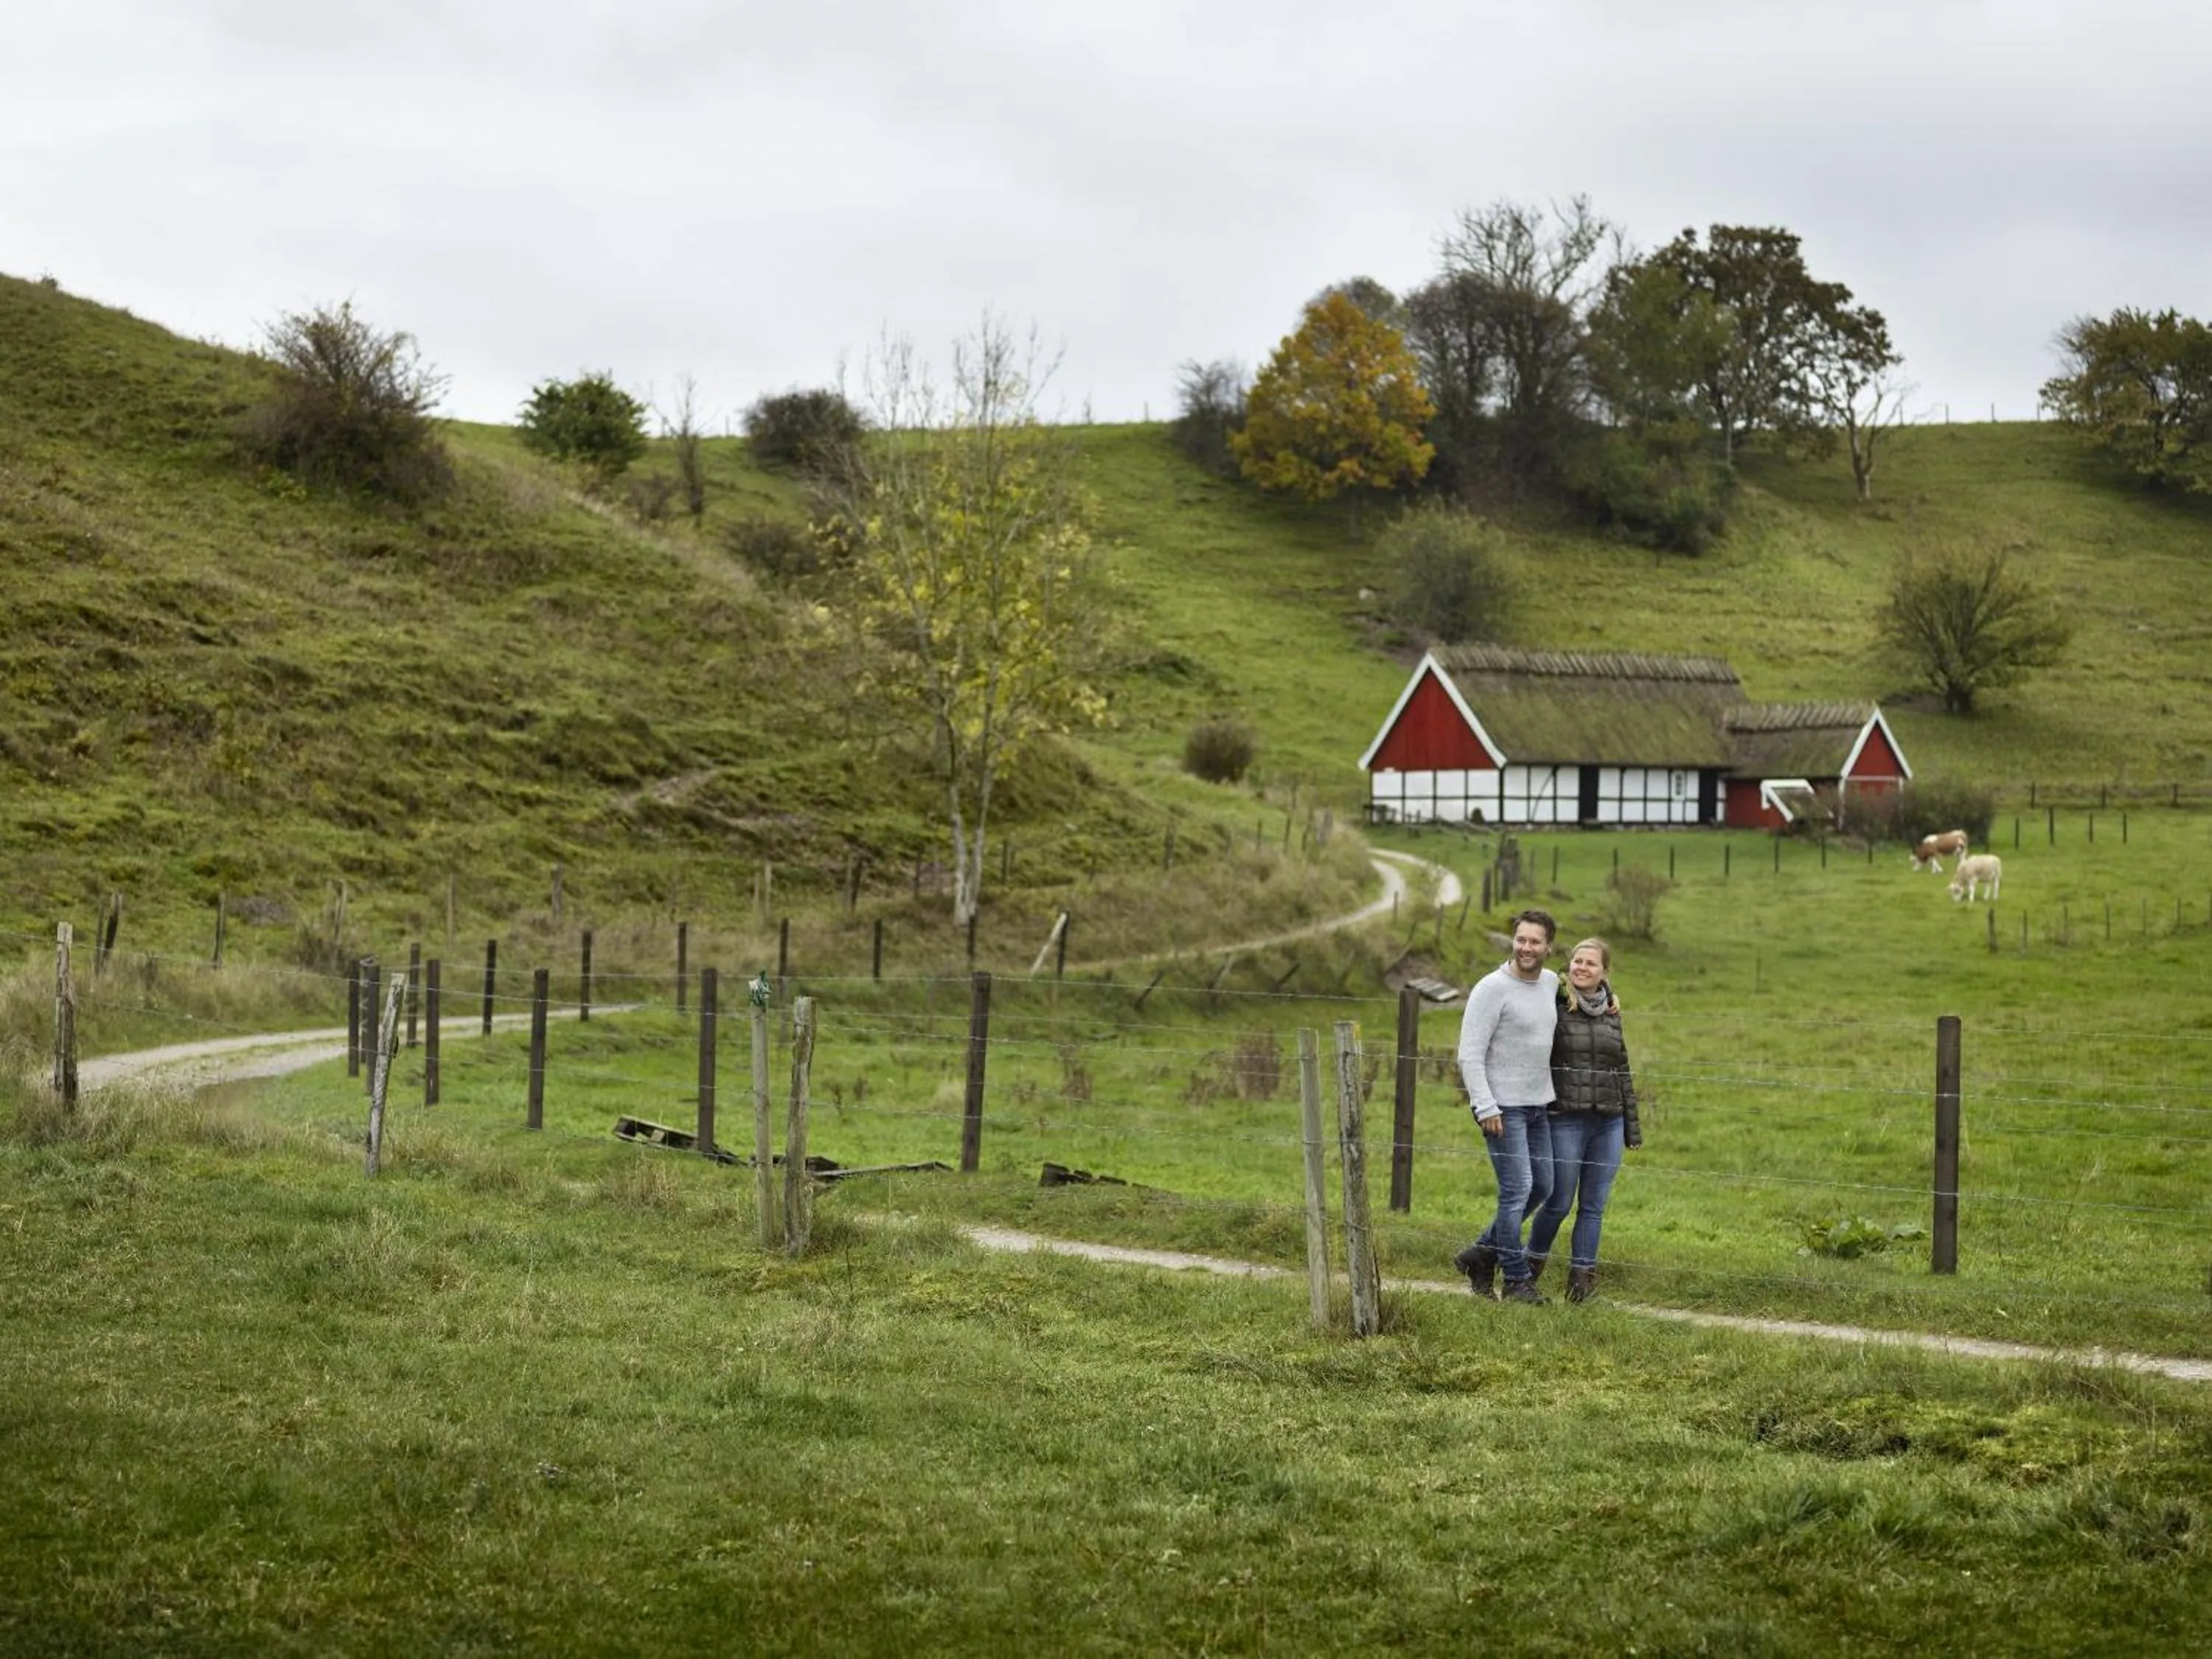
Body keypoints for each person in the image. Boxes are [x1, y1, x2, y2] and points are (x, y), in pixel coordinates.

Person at [1526, 937, 1641, 1304]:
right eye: (1577, 961)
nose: (1581, 968)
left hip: (1608, 1121)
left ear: (1605, 972)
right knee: (1558, 1201)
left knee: (1593, 1206)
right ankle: (1527, 1273)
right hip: (1566, 1120)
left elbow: (1622, 1068)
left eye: (1591, 963)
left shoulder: (1611, 1011)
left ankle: (1581, 1285)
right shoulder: (1555, 1002)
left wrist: (1631, 1126)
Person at [1452, 908, 1559, 1304]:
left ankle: (1481, 1254)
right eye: (1521, 940)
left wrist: (1610, 997)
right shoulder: (1491, 988)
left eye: (1535, 941)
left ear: (1549, 946)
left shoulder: (1550, 983)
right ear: (1513, 941)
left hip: (1538, 1105)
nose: (1526, 948)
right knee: (1517, 1191)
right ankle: (1516, 1280)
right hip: (1502, 1109)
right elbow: (1470, 1055)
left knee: (1544, 1185)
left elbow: (1586, 988)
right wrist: (1486, 1107)